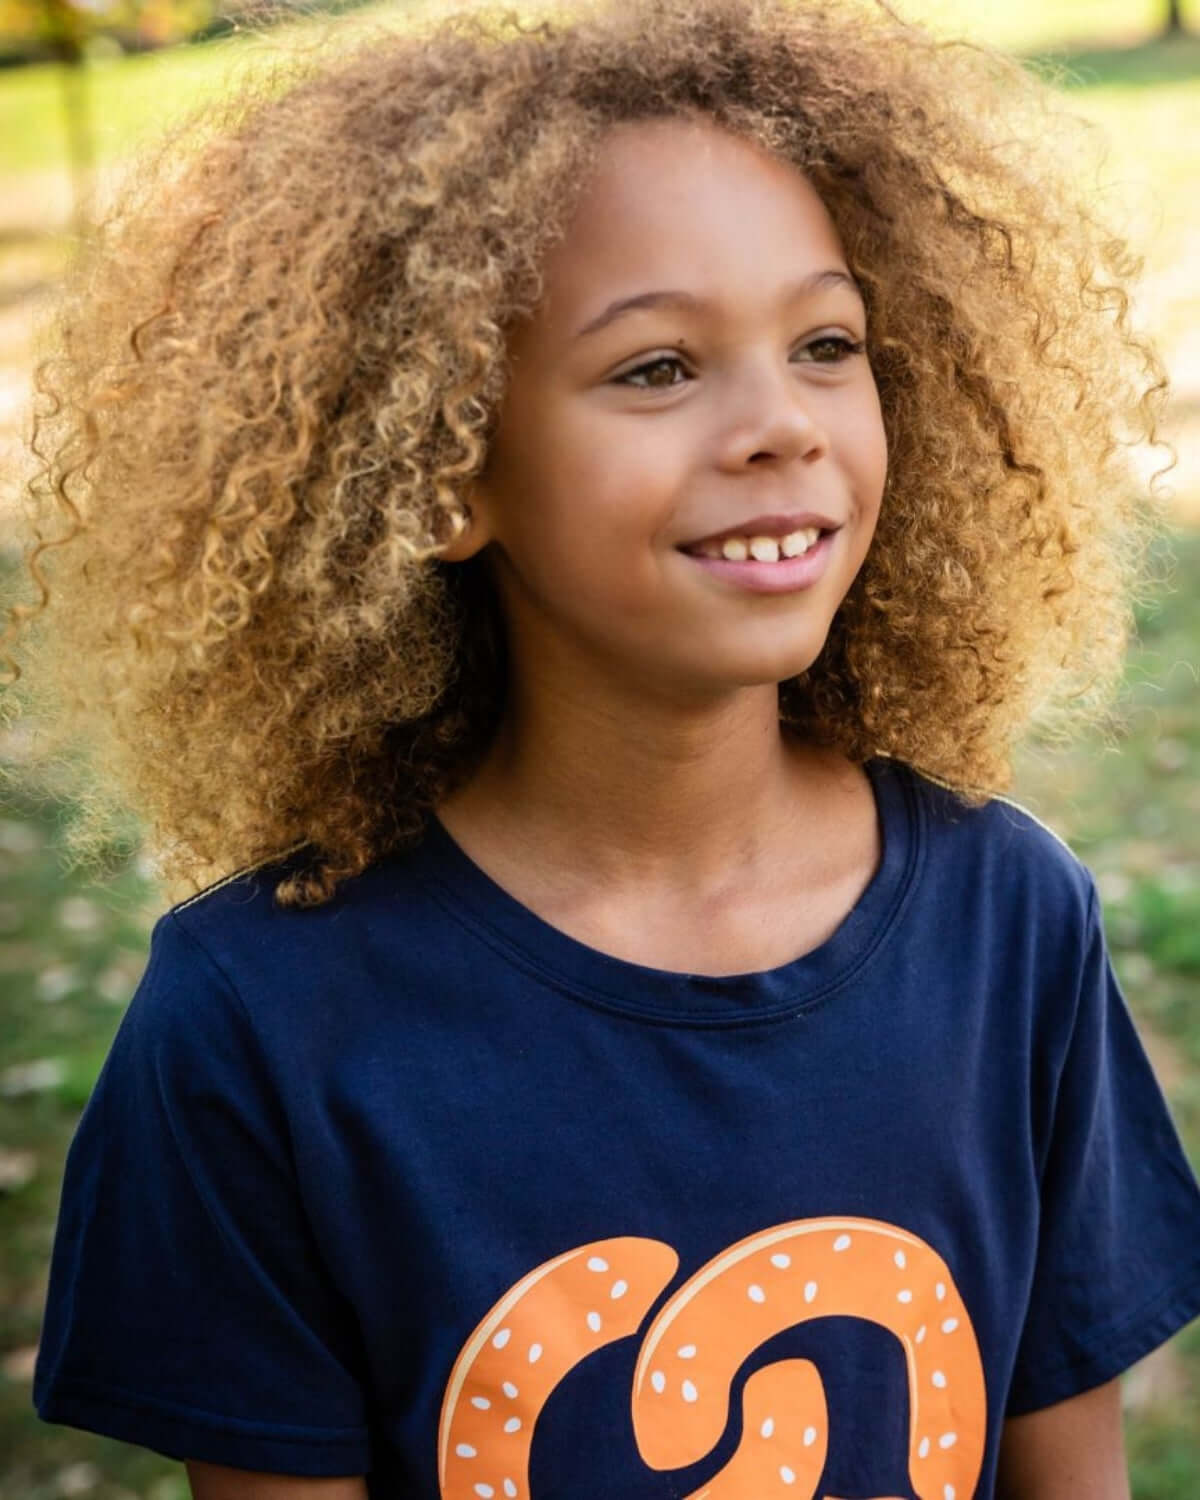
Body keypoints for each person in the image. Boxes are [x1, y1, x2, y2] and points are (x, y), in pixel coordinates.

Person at [10, 0, 1200, 1495]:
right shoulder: (259, 1027)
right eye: (657, 369)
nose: (782, 423)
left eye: (828, 343)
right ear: (439, 471)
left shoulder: (1010, 923)